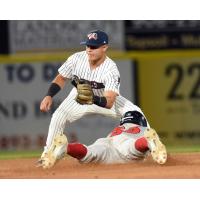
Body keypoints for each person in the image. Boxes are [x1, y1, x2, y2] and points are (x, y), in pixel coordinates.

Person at [38, 30, 150, 169]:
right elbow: (61, 78)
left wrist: (93, 98)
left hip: (103, 97)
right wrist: (49, 95)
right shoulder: (76, 59)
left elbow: (109, 102)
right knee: (58, 116)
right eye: (88, 46)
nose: (89, 50)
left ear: (104, 48)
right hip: (78, 96)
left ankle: (148, 145)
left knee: (136, 111)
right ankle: (48, 154)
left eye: (94, 47)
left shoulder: (110, 69)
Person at [37, 111, 167, 169]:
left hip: (107, 141)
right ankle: (147, 141)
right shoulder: (142, 129)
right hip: (126, 144)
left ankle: (66, 148)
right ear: (141, 122)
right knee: (133, 149)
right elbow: (157, 153)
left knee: (89, 153)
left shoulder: (120, 127)